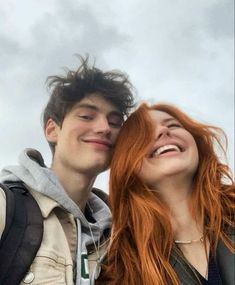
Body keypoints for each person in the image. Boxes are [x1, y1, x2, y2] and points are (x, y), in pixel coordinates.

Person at [0, 56, 135, 285]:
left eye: (114, 122)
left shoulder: (120, 236)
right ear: (52, 130)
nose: (104, 128)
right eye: (86, 116)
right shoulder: (7, 206)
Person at [97, 103, 235, 285]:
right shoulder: (117, 265)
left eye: (173, 125)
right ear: (126, 162)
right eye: (143, 133)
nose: (163, 131)